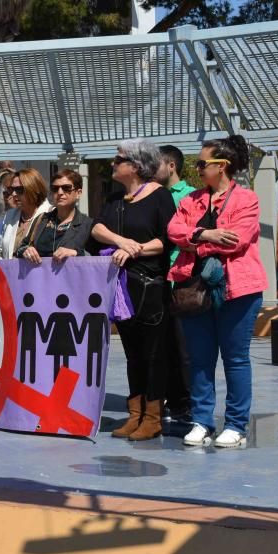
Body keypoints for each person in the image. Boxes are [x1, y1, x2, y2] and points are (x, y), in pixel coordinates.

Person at [168, 135, 267, 448]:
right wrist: (205, 234)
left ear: (221, 166)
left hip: (238, 290)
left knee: (236, 359)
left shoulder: (246, 199)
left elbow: (236, 239)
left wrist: (193, 242)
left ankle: (236, 425)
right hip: (194, 290)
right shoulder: (190, 200)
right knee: (200, 359)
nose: (197, 169)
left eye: (202, 163)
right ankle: (201, 421)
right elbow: (173, 230)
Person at [91, 139, 176, 441]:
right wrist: (121, 241)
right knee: (132, 354)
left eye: (118, 159)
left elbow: (167, 240)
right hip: (121, 288)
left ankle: (153, 417)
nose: (113, 163)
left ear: (137, 166)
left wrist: (134, 250)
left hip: (150, 287)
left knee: (153, 353)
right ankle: (135, 413)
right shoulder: (116, 199)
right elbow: (96, 229)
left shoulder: (160, 197)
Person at [157, 144, 197, 422]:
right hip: (159, 280)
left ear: (171, 166)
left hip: (182, 280)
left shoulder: (192, 196)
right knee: (164, 346)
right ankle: (171, 400)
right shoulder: (152, 195)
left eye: (156, 163)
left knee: (186, 349)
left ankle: (189, 403)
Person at [15, 169, 92, 264]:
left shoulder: (87, 224)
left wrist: (77, 253)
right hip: (40, 277)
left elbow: (100, 257)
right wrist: (26, 251)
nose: (60, 192)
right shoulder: (42, 219)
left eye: (66, 188)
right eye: (55, 188)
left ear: (78, 193)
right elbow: (21, 247)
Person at [0, 168, 53, 259]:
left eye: (19, 190)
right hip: (10, 272)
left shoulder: (52, 214)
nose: (13, 194)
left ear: (34, 189)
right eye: (12, 189)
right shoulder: (10, 215)